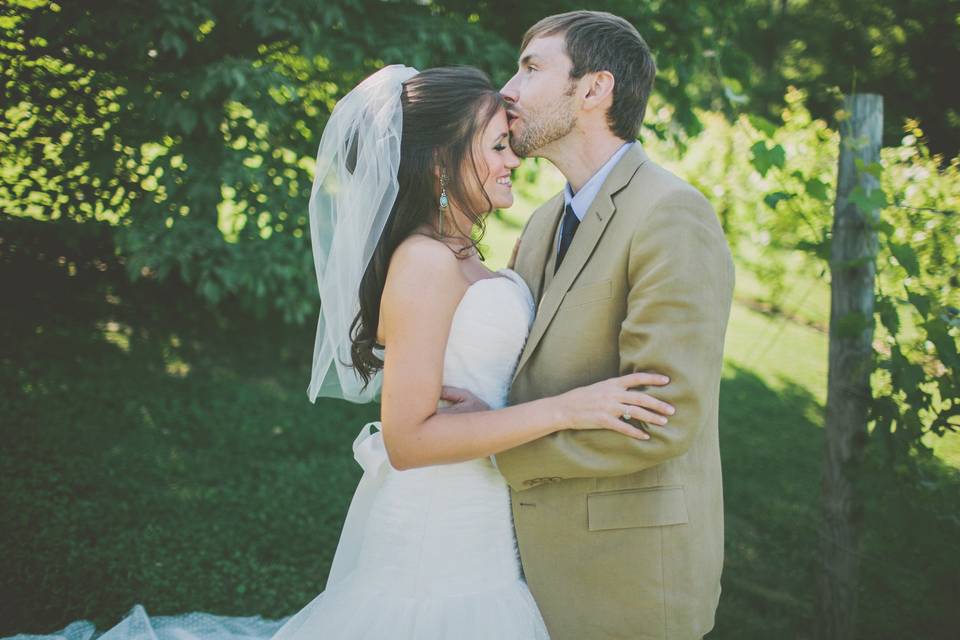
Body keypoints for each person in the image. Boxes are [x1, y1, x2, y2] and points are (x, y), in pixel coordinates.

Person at [12, 65, 675, 640]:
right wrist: (567, 410)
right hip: (432, 543)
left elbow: (479, 380)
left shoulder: (464, 252)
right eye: (498, 147)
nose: (513, 160)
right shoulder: (423, 261)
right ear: (441, 163)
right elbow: (409, 438)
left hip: (481, 530)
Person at [495, 11, 736, 640]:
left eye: (529, 69)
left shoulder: (671, 215)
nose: (507, 92)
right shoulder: (544, 220)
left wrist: (492, 446)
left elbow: (661, 415)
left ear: (594, 90)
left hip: (628, 582)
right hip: (527, 569)